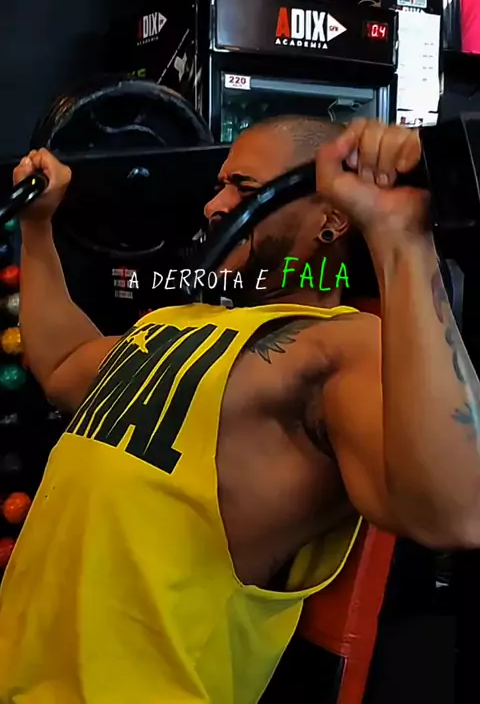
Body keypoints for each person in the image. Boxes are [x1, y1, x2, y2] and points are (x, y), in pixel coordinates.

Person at [1, 115, 480, 704]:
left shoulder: (339, 345)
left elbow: (459, 513)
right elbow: (62, 363)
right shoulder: (176, 321)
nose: (214, 206)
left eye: (243, 188)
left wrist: (401, 238)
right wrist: (37, 226)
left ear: (331, 218)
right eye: (219, 186)